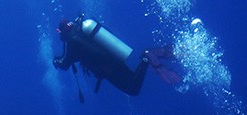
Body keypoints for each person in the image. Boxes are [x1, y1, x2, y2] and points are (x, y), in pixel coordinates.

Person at [53, 14, 181, 98]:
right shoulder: (81, 32)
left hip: (109, 69)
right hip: (114, 59)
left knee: (133, 90)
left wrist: (55, 61)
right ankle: (151, 57)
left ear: (62, 32)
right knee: (133, 82)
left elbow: (65, 64)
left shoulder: (72, 42)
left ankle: (146, 57)